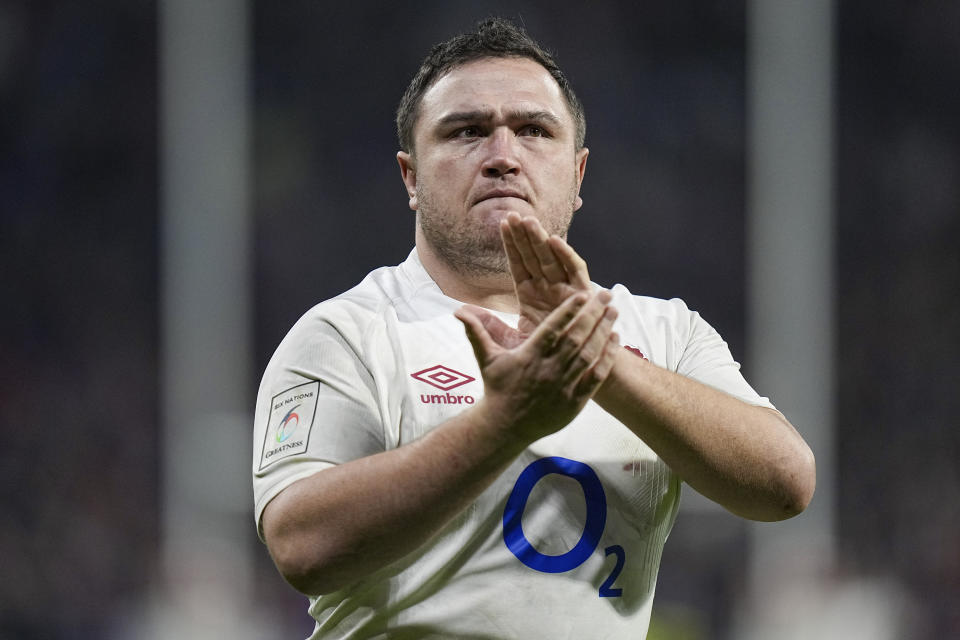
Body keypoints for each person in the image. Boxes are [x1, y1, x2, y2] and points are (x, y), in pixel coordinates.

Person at [252, 17, 815, 639]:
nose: (502, 156)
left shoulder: (663, 332)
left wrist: (599, 359)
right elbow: (301, 547)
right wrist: (505, 422)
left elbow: (784, 484)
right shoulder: (345, 334)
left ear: (577, 176)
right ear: (410, 177)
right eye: (466, 132)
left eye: (533, 130)